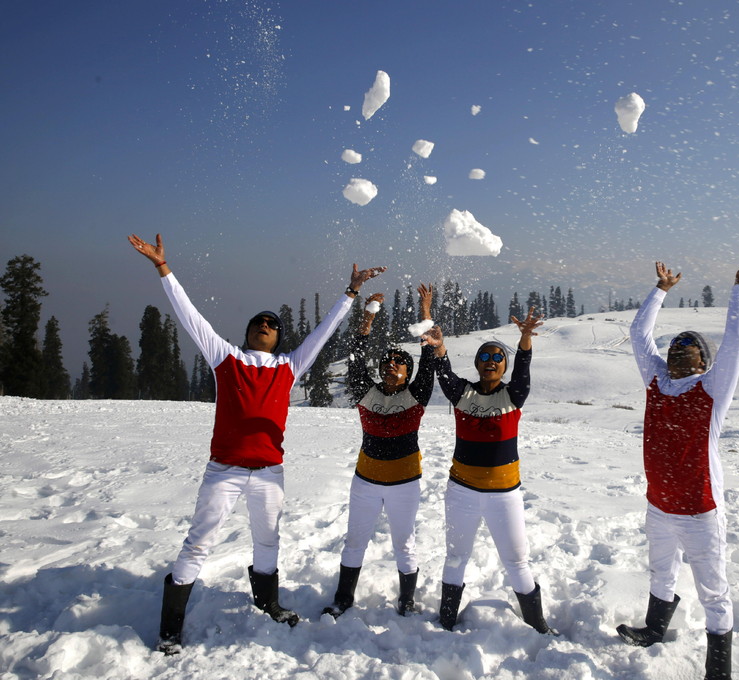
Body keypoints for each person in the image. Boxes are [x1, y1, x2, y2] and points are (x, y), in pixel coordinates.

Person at [127, 233, 384, 655]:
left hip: (268, 473)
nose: (265, 326)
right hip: (224, 471)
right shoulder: (224, 358)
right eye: (258, 323)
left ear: (278, 338)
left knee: (268, 542)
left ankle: (268, 602)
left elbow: (323, 333)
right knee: (199, 543)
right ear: (247, 333)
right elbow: (189, 316)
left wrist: (351, 291)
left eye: (272, 325)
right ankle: (170, 629)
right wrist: (162, 268)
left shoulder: (289, 366)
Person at [617, 252, 739, 680]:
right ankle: (654, 629)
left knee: (713, 591)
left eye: (689, 347)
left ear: (704, 359)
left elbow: (735, 341)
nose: (678, 351)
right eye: (674, 347)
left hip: (701, 511)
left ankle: (718, 670)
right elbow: (638, 332)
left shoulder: (712, 388)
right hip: (659, 506)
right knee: (660, 572)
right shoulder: (655, 382)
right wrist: (660, 291)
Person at [423, 308, 556, 635]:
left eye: (498, 356)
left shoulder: (513, 394)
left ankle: (537, 626)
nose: (491, 360)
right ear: (478, 363)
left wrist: (525, 337)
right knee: (455, 558)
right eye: (485, 355)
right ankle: (446, 621)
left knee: (517, 562)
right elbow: (444, 371)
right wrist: (438, 348)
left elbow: (524, 367)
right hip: (462, 492)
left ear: (504, 366)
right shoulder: (462, 393)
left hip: (504, 496)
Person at [322, 284, 436, 619]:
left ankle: (407, 600)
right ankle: (344, 598)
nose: (391, 365)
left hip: (405, 484)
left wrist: (425, 312)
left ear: (408, 373)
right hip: (366, 483)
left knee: (404, 544)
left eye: (400, 362)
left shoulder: (417, 396)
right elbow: (356, 352)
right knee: (354, 541)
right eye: (387, 361)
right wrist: (368, 316)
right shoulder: (364, 391)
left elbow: (428, 355)